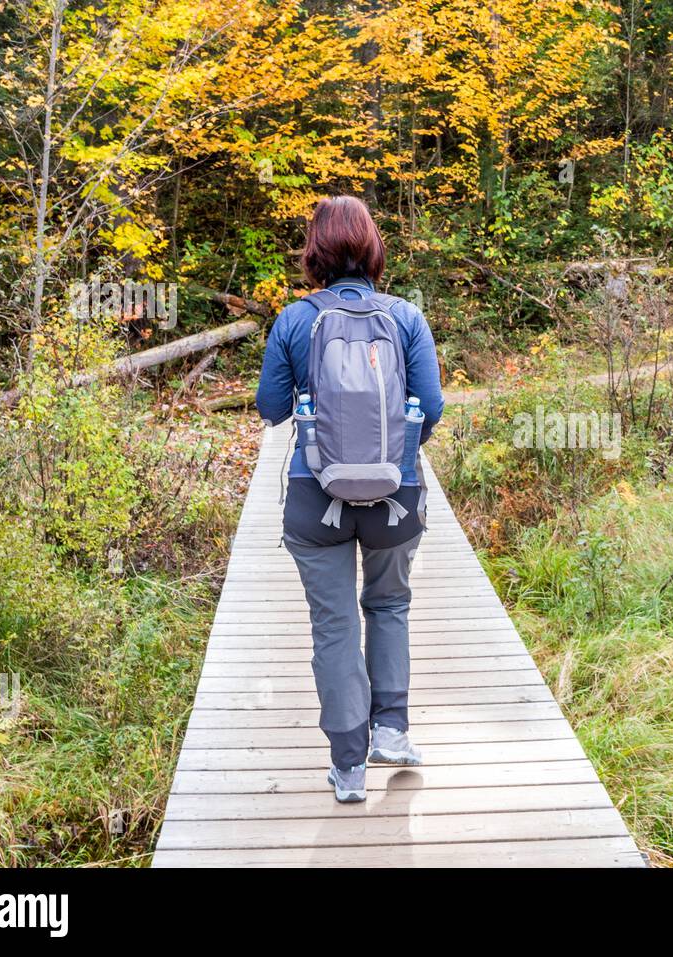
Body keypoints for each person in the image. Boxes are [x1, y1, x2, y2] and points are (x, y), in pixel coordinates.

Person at [255, 195, 444, 803]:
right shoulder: (406, 317)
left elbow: (270, 409)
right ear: (371, 246)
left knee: (334, 624)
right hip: (397, 496)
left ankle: (348, 768)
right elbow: (432, 409)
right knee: (388, 606)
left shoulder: (295, 319)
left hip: (316, 497)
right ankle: (391, 729)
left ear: (316, 250)